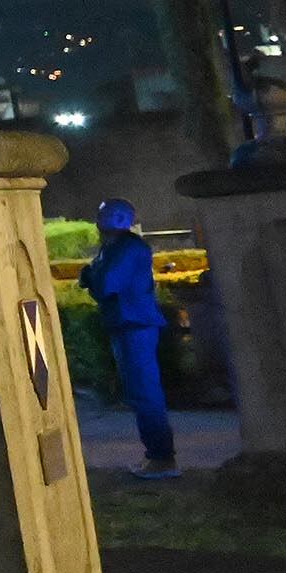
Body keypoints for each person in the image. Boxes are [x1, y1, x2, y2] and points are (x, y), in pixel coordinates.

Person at [82, 199, 177, 479]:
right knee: (141, 392)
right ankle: (158, 456)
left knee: (145, 392)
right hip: (128, 323)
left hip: (134, 324)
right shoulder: (118, 247)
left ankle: (161, 458)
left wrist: (91, 275)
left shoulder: (126, 248)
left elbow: (105, 284)